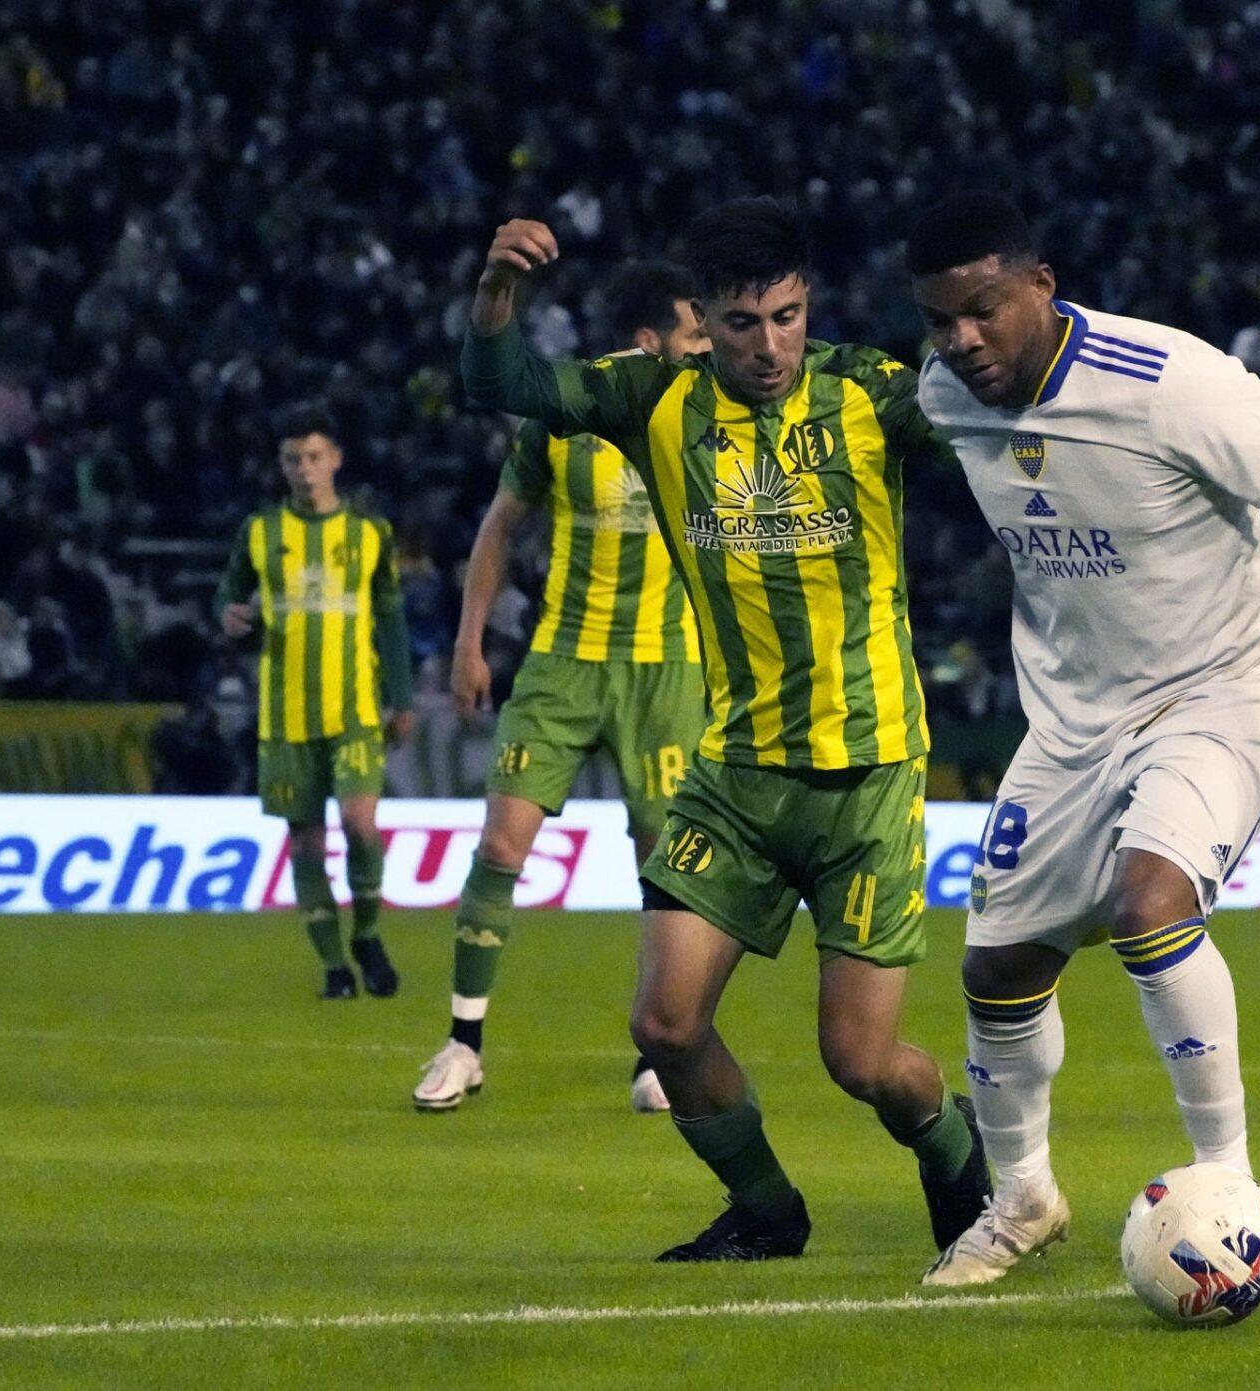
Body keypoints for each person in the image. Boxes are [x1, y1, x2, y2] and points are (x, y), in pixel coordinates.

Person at [904, 194, 1260, 1286]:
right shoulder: (943, 394)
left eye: (981, 310)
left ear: (1040, 284)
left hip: (1228, 687)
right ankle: (1021, 1197)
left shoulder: (1171, 380)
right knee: (999, 969)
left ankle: (1232, 1191)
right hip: (1074, 717)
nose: (961, 341)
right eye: (938, 321)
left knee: (1149, 905)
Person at [460, 198, 989, 1262]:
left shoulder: (874, 390)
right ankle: (767, 1210)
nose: (770, 345)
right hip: (736, 777)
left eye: (788, 317)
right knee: (663, 1023)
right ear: (699, 320)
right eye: (743, 324)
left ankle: (966, 1173)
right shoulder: (651, 396)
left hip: (869, 774)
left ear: (810, 303)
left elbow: (1006, 425)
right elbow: (503, 386)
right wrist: (498, 293)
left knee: (862, 1060)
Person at [415, 262, 712, 1117]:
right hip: (563, 662)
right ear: (649, 342)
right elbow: (498, 528)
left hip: (666, 668)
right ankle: (463, 1043)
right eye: (694, 334)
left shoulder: (709, 419)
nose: (706, 348)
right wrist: (470, 644)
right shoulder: (561, 419)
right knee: (501, 846)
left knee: (663, 867)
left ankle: (655, 1055)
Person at [215, 406, 416, 1000]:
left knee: (360, 825)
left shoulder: (369, 533)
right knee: (304, 842)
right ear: (281, 465)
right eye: (292, 459)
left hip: (354, 710)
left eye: (313, 457)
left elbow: (391, 620)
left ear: (335, 461)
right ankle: (334, 966)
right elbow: (229, 595)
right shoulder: (259, 532)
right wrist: (230, 616)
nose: (303, 470)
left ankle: (369, 933)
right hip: (284, 716)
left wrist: (401, 698)